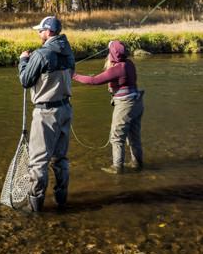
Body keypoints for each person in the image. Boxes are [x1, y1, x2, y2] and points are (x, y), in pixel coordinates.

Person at [18, 15, 75, 212]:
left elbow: (25, 80)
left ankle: (35, 206)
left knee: (38, 161)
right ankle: (61, 198)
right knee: (60, 158)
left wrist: (23, 61)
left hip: (45, 113)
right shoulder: (68, 51)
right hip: (65, 110)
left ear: (48, 31)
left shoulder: (41, 54)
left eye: (40, 30)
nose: (39, 33)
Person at [72, 40, 144, 174]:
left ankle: (117, 168)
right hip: (137, 102)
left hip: (125, 105)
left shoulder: (117, 69)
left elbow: (94, 81)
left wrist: (74, 75)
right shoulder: (129, 64)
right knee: (134, 137)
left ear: (112, 53)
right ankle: (137, 164)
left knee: (117, 138)